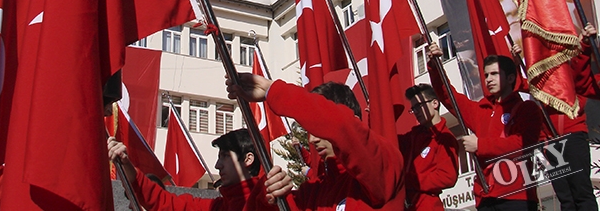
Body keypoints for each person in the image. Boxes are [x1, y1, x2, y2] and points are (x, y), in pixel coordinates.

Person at [226, 76, 405, 210]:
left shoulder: (385, 165)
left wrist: (272, 91)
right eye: (309, 132)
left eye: (319, 130)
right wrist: (269, 197)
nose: (312, 139)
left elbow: (342, 125)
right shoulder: (313, 191)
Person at [427, 42, 542, 210]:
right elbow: (449, 97)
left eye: (494, 74)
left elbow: (523, 144)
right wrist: (435, 66)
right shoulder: (480, 110)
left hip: (516, 195)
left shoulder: (527, 109)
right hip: (485, 196)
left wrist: (480, 145)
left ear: (510, 78)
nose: (488, 79)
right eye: (486, 75)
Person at [107, 128, 278, 211]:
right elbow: (165, 202)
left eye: (225, 156)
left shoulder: (271, 200)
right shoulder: (218, 206)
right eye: (219, 157)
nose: (217, 165)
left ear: (248, 159)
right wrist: (125, 164)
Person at [541, 23, 599, 211]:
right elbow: (521, 85)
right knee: (565, 198)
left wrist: (585, 46)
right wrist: (515, 66)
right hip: (550, 140)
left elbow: (581, 78)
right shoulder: (544, 71)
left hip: (572, 135)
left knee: (581, 192)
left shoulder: (572, 68)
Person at [399, 83, 459, 210]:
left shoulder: (445, 138)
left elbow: (448, 177)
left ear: (435, 103)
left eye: (419, 106)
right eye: (413, 109)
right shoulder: (412, 137)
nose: (416, 112)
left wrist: (410, 180)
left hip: (427, 205)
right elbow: (387, 142)